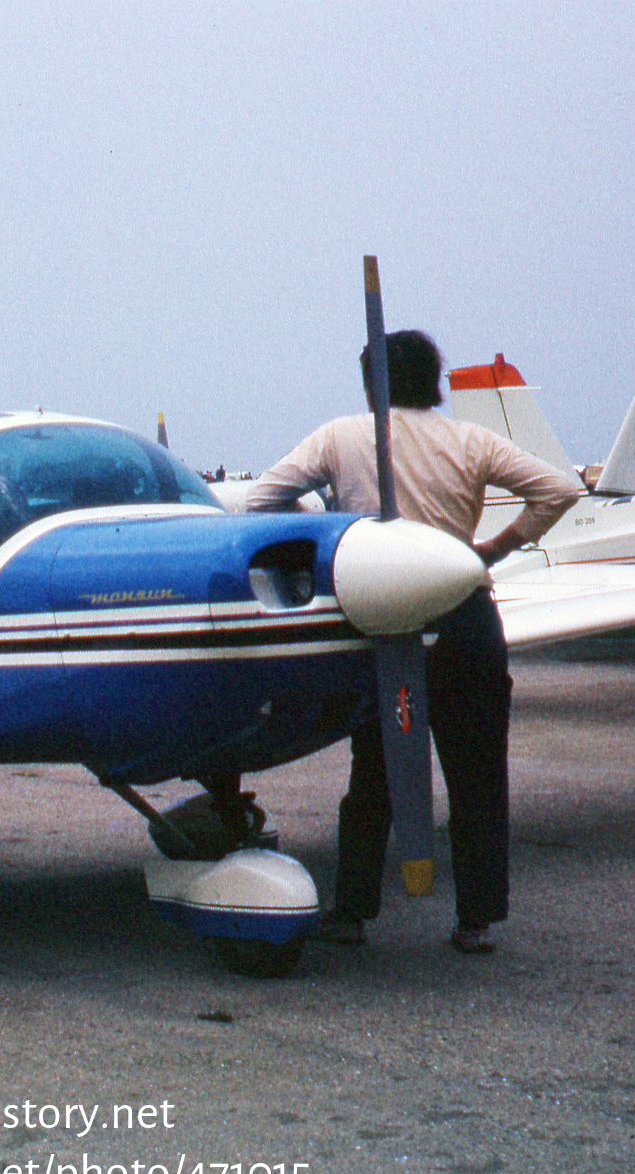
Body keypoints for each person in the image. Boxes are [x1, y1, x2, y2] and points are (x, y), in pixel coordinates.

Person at [247, 329, 581, 954]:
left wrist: (336, 539)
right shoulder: (470, 439)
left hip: (384, 620)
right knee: (478, 773)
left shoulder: (341, 436)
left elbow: (264, 497)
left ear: (371, 379)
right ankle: (476, 920)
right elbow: (558, 490)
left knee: (374, 771)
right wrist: (491, 550)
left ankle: (352, 912)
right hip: (463, 612)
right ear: (431, 379)